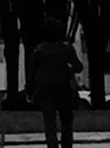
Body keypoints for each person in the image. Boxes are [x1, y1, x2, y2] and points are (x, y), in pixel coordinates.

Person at [27, 16, 83, 148]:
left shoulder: (39, 49)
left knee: (49, 121)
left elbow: (32, 72)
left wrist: (29, 91)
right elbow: (78, 67)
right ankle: (66, 145)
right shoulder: (66, 48)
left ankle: (52, 146)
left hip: (44, 89)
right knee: (66, 120)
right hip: (63, 88)